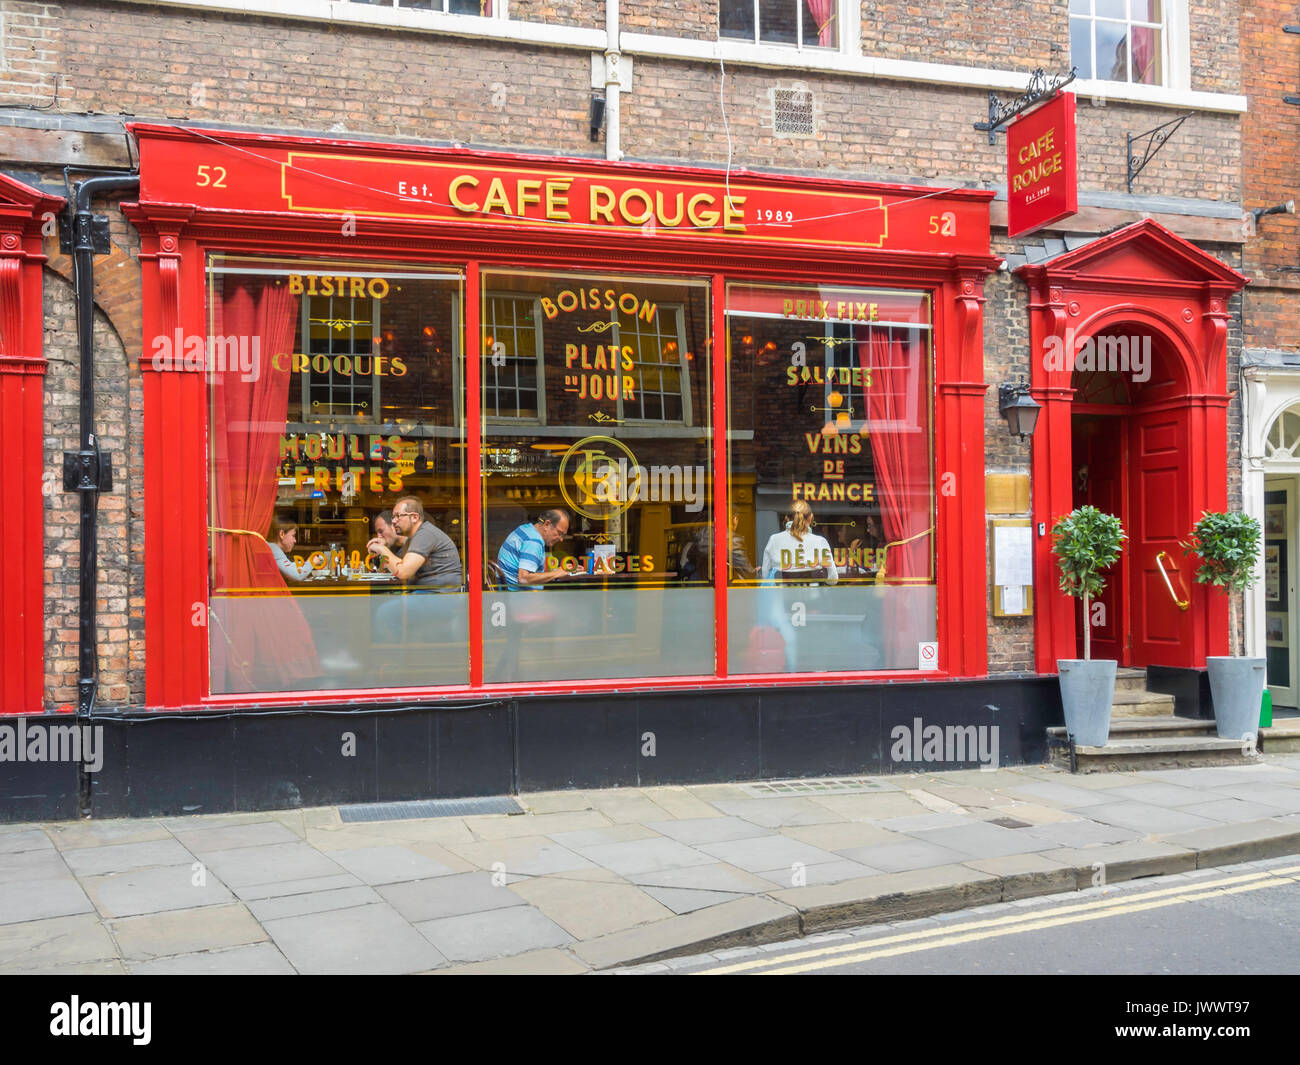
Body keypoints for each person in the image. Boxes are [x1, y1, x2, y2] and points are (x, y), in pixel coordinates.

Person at [366, 496, 462, 588]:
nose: (394, 521)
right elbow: (403, 568)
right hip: (428, 594)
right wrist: (385, 548)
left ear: (414, 517)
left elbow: (403, 572)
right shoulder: (415, 537)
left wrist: (382, 549)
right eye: (393, 517)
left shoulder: (425, 534)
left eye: (398, 516)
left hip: (438, 597)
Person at [761, 500, 840, 583]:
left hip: (783, 594)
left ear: (787, 518)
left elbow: (765, 576)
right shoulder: (820, 542)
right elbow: (833, 580)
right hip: (814, 594)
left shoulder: (774, 540)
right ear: (810, 518)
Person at [497, 508, 571, 590]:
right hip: (520, 598)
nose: (561, 539)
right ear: (547, 524)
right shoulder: (533, 541)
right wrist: (557, 573)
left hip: (511, 594)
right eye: (559, 533)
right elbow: (523, 579)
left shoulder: (526, 529)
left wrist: (561, 570)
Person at [267, 516, 309, 583]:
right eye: (293, 535)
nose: (295, 540)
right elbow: (297, 576)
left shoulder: (271, 547)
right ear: (282, 534)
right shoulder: (274, 550)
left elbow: (288, 567)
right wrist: (310, 563)